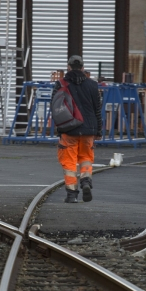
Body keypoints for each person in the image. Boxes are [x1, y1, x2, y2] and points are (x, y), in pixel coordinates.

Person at [52, 55, 102, 203]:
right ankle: (86, 181)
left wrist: (59, 127)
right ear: (82, 67)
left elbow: (55, 107)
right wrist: (98, 130)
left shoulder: (60, 84)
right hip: (88, 129)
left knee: (69, 162)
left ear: (68, 67)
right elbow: (97, 110)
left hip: (69, 129)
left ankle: (71, 195)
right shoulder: (92, 85)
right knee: (86, 158)